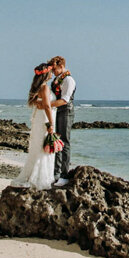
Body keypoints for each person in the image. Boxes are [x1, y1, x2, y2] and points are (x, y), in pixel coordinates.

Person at [9, 61, 57, 189]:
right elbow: (47, 105)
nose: (52, 73)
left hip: (38, 117)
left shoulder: (38, 88)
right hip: (44, 118)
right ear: (46, 74)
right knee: (43, 146)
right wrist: (51, 123)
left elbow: (38, 102)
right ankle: (40, 179)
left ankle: (34, 175)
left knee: (38, 146)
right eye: (50, 71)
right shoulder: (45, 88)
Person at [49, 56, 76, 187]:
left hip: (66, 111)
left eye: (54, 68)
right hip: (57, 111)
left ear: (61, 66)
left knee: (64, 142)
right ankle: (56, 172)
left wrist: (47, 105)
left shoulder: (69, 80)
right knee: (57, 141)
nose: (52, 71)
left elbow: (65, 99)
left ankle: (64, 175)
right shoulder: (56, 80)